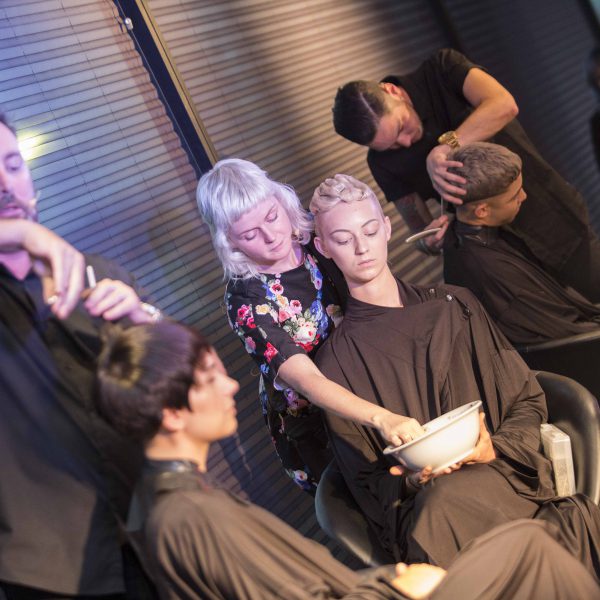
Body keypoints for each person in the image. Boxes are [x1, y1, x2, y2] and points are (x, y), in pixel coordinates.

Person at [95, 320, 600, 600]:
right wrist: (396, 588)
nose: (230, 386)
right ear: (171, 414)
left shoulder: (169, 503)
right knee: (535, 546)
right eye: (209, 378)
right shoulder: (191, 517)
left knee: (540, 534)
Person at [309, 173, 600, 573]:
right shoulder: (335, 365)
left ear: (388, 228)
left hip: (502, 474)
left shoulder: (455, 306)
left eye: (370, 230)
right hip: (431, 509)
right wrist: (411, 480)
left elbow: (526, 400)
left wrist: (493, 448)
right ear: (323, 247)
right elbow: (367, 486)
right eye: (343, 240)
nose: (362, 248)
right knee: (442, 501)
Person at [0, 111, 163, 598]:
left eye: (12, 165)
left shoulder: (98, 273)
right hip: (54, 571)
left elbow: (191, 386)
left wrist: (143, 321)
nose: (5, 185)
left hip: (158, 533)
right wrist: (21, 234)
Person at [196, 158, 424, 492]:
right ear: (229, 242)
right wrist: (380, 417)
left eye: (272, 216)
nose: (272, 236)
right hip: (322, 420)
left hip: (376, 380)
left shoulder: (316, 239)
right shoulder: (246, 300)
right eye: (250, 234)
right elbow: (307, 380)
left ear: (282, 200)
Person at [332, 48, 600, 302]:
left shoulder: (442, 68)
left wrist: (446, 147)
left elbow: (503, 104)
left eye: (401, 126)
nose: (405, 142)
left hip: (549, 215)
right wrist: (431, 240)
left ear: (392, 91)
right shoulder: (381, 163)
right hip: (502, 260)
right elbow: (421, 234)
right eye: (391, 145)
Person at [443, 142, 600, 345]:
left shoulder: (479, 237)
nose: (524, 197)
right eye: (514, 196)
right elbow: (570, 340)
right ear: (482, 211)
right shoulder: (490, 271)